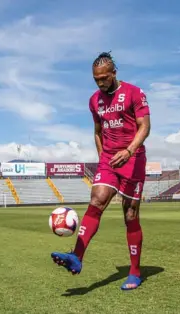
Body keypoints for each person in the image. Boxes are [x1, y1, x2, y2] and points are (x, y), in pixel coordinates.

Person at [51, 51, 151, 290]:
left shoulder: (135, 93)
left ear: (114, 73)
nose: (100, 82)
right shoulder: (94, 100)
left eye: (104, 78)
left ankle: (135, 272)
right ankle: (76, 256)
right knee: (97, 200)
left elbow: (145, 127)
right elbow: (97, 131)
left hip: (133, 158)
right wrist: (102, 159)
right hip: (108, 160)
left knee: (130, 215)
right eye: (96, 79)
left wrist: (128, 151)